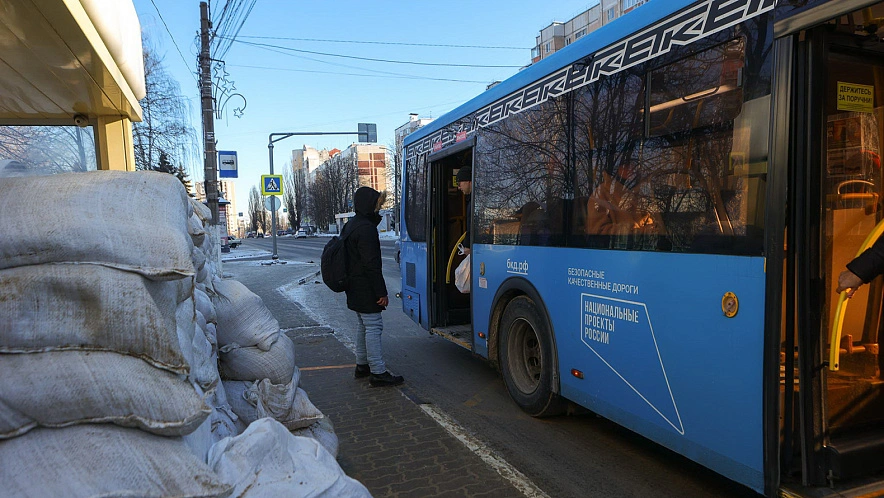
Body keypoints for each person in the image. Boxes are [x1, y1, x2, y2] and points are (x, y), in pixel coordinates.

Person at [342, 186, 404, 387]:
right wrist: (381, 292)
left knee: (363, 325)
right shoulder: (366, 229)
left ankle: (362, 366)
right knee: (374, 326)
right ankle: (377, 371)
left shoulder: (351, 225)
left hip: (353, 285)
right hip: (365, 286)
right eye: (377, 205)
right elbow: (371, 265)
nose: (379, 208)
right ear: (369, 205)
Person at [457, 164, 472, 254]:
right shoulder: (471, 200)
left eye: (459, 183)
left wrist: (468, 245)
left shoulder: (475, 202)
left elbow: (472, 226)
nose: (459, 187)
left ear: (469, 181)